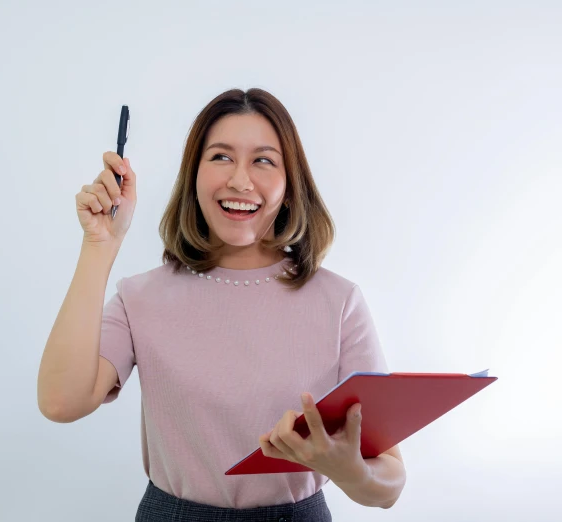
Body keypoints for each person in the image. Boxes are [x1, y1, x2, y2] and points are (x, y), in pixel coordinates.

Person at [37, 88, 406, 521]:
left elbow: (389, 485)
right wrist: (100, 245)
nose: (240, 181)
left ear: (290, 187)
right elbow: (61, 402)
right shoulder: (140, 298)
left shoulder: (339, 302)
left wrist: (351, 472)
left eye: (263, 160)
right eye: (221, 157)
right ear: (193, 177)